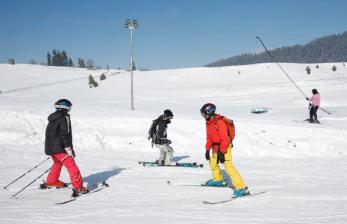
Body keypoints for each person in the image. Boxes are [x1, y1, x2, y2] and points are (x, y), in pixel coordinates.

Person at [200, 103, 249, 197]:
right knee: (213, 163)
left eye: (204, 114)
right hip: (216, 147)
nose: (203, 116)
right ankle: (217, 180)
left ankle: (242, 188)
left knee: (228, 166)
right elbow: (209, 137)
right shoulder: (209, 123)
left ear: (209, 112)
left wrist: (222, 152)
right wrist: (207, 149)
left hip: (225, 146)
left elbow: (225, 139)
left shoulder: (220, 122)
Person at [44, 99, 88, 196]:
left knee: (57, 163)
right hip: (60, 148)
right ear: (65, 107)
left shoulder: (54, 118)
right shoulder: (63, 118)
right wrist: (69, 150)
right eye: (70, 107)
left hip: (51, 148)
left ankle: (52, 181)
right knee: (72, 166)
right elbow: (64, 135)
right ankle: (78, 187)